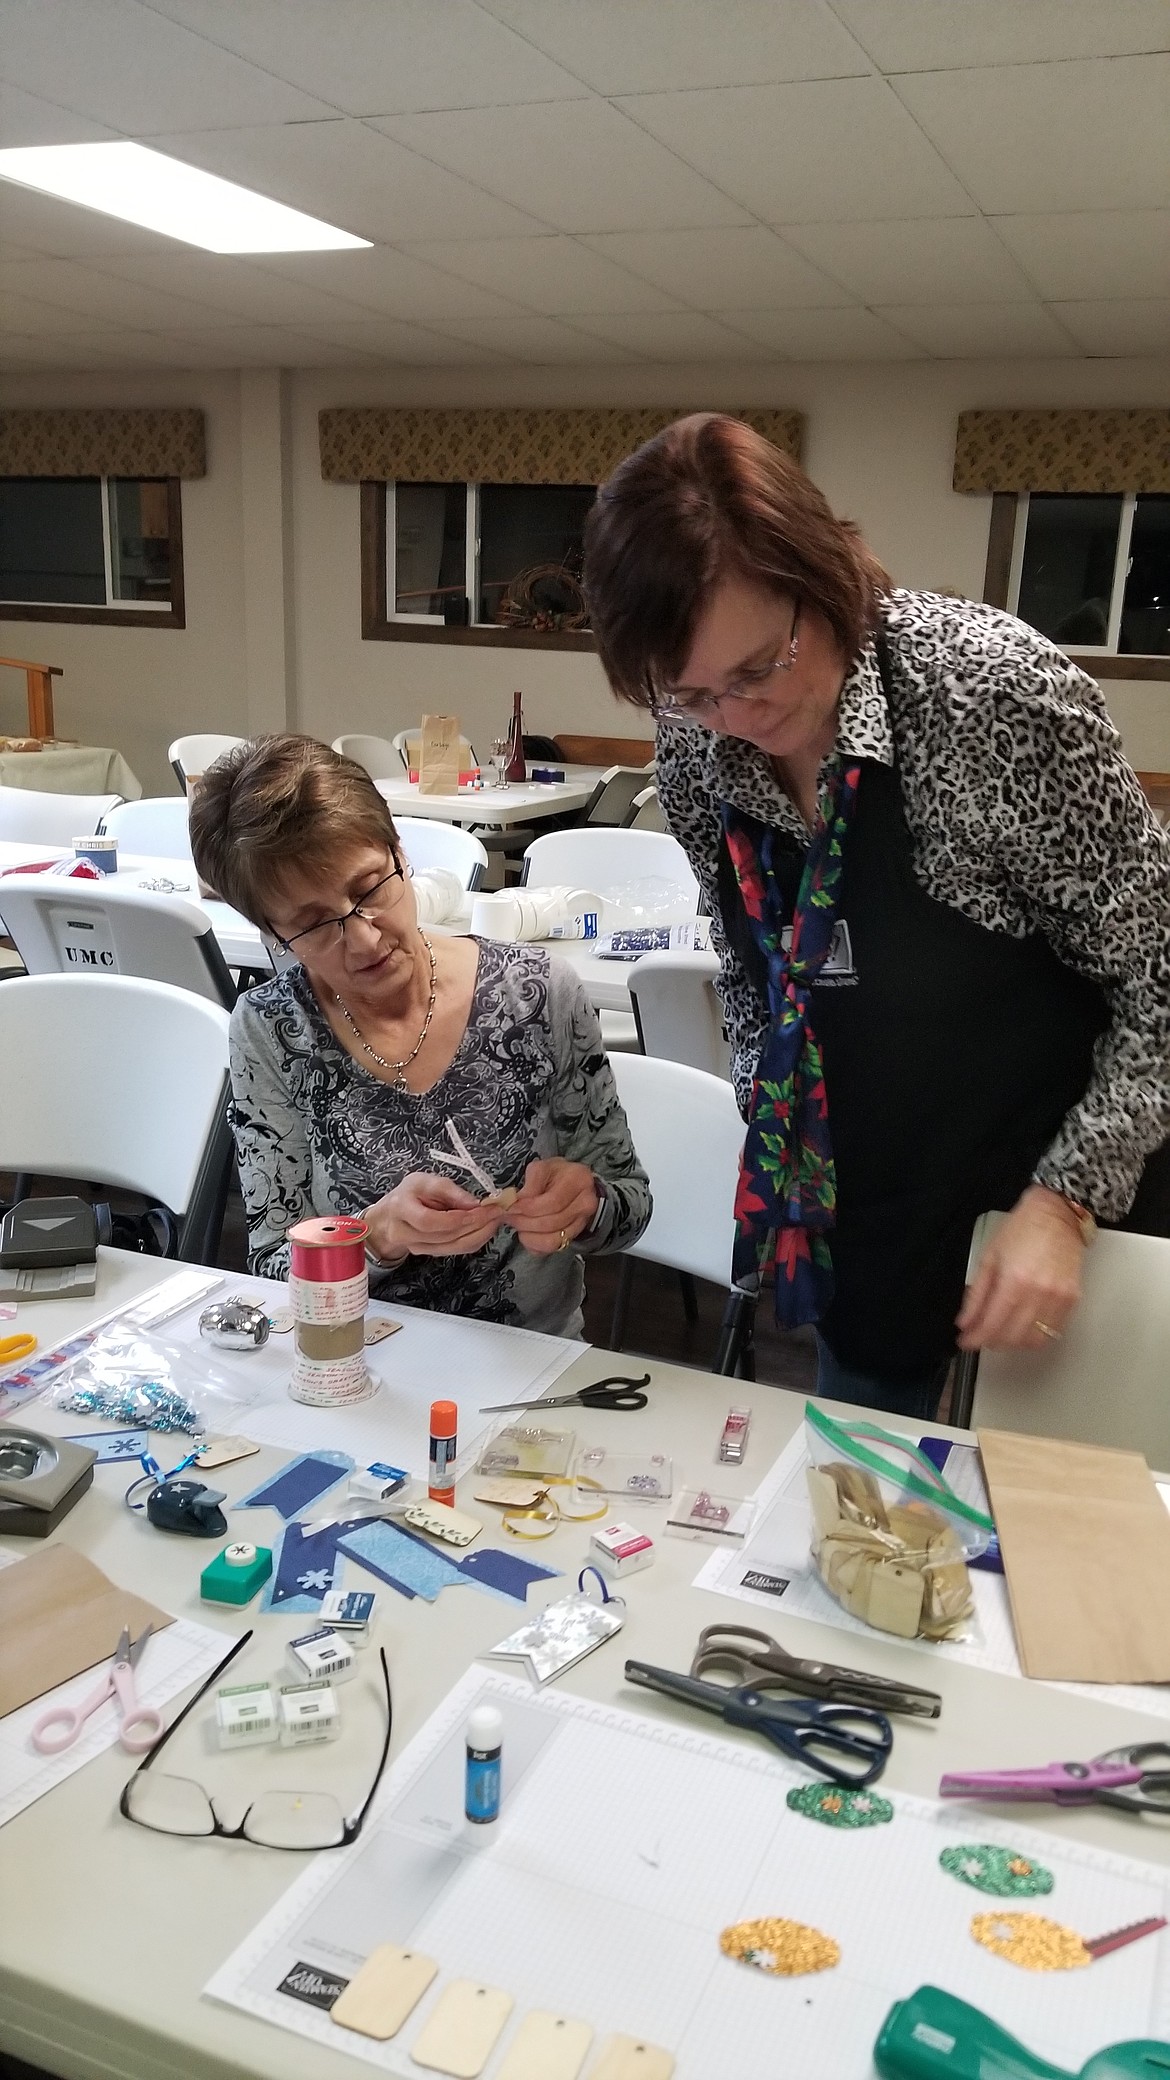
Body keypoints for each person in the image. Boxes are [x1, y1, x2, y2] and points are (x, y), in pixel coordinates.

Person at [583, 412, 1170, 1416]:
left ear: (827, 578)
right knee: (865, 1523)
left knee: (1060, 1538)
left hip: (1062, 1205)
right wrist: (777, 1125)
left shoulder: (990, 693)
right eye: (691, 692)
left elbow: (1157, 975)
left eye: (761, 667)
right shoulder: (692, 746)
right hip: (867, 1210)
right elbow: (751, 958)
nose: (737, 718)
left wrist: (1068, 1199)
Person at [189, 735, 650, 1337]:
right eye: (312, 926)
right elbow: (272, 1265)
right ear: (274, 936)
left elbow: (630, 1206)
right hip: (358, 1362)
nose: (364, 939)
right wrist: (373, 1238)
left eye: (370, 889)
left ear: (400, 854)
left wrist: (586, 1206)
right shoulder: (274, 1028)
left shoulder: (537, 994)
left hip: (528, 1365)